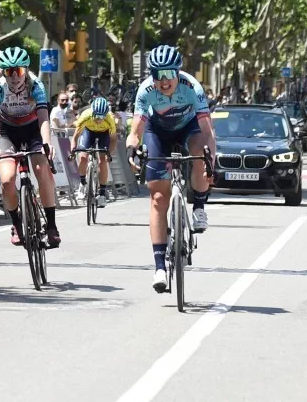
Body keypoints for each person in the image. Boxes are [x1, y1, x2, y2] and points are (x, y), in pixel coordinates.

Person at [125, 45, 216, 293]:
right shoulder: (145, 91)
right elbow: (136, 130)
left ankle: (199, 207)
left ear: (178, 72)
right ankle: (159, 268)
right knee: (157, 197)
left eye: (169, 74)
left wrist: (211, 158)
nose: (164, 81)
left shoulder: (192, 88)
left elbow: (207, 131)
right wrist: (132, 147)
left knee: (200, 153)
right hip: (158, 131)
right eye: (158, 74)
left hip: (189, 128)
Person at [0, 47, 61, 248]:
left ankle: (51, 226)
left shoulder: (36, 85)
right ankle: (17, 224)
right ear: (3, 73)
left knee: (40, 169)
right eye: (9, 72)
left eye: (18, 71)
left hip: (33, 129)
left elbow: (44, 118)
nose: (14, 77)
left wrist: (47, 143)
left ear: (25, 70)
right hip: (8, 131)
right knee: (8, 180)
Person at [73, 96, 118, 207]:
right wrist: (72, 152)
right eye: (97, 116)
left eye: (102, 116)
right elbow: (75, 137)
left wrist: (109, 154)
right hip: (88, 132)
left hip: (104, 134)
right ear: (93, 112)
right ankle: (83, 182)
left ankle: (102, 193)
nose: (99, 119)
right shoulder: (85, 116)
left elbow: (113, 140)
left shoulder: (109, 119)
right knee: (83, 157)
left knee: (103, 161)